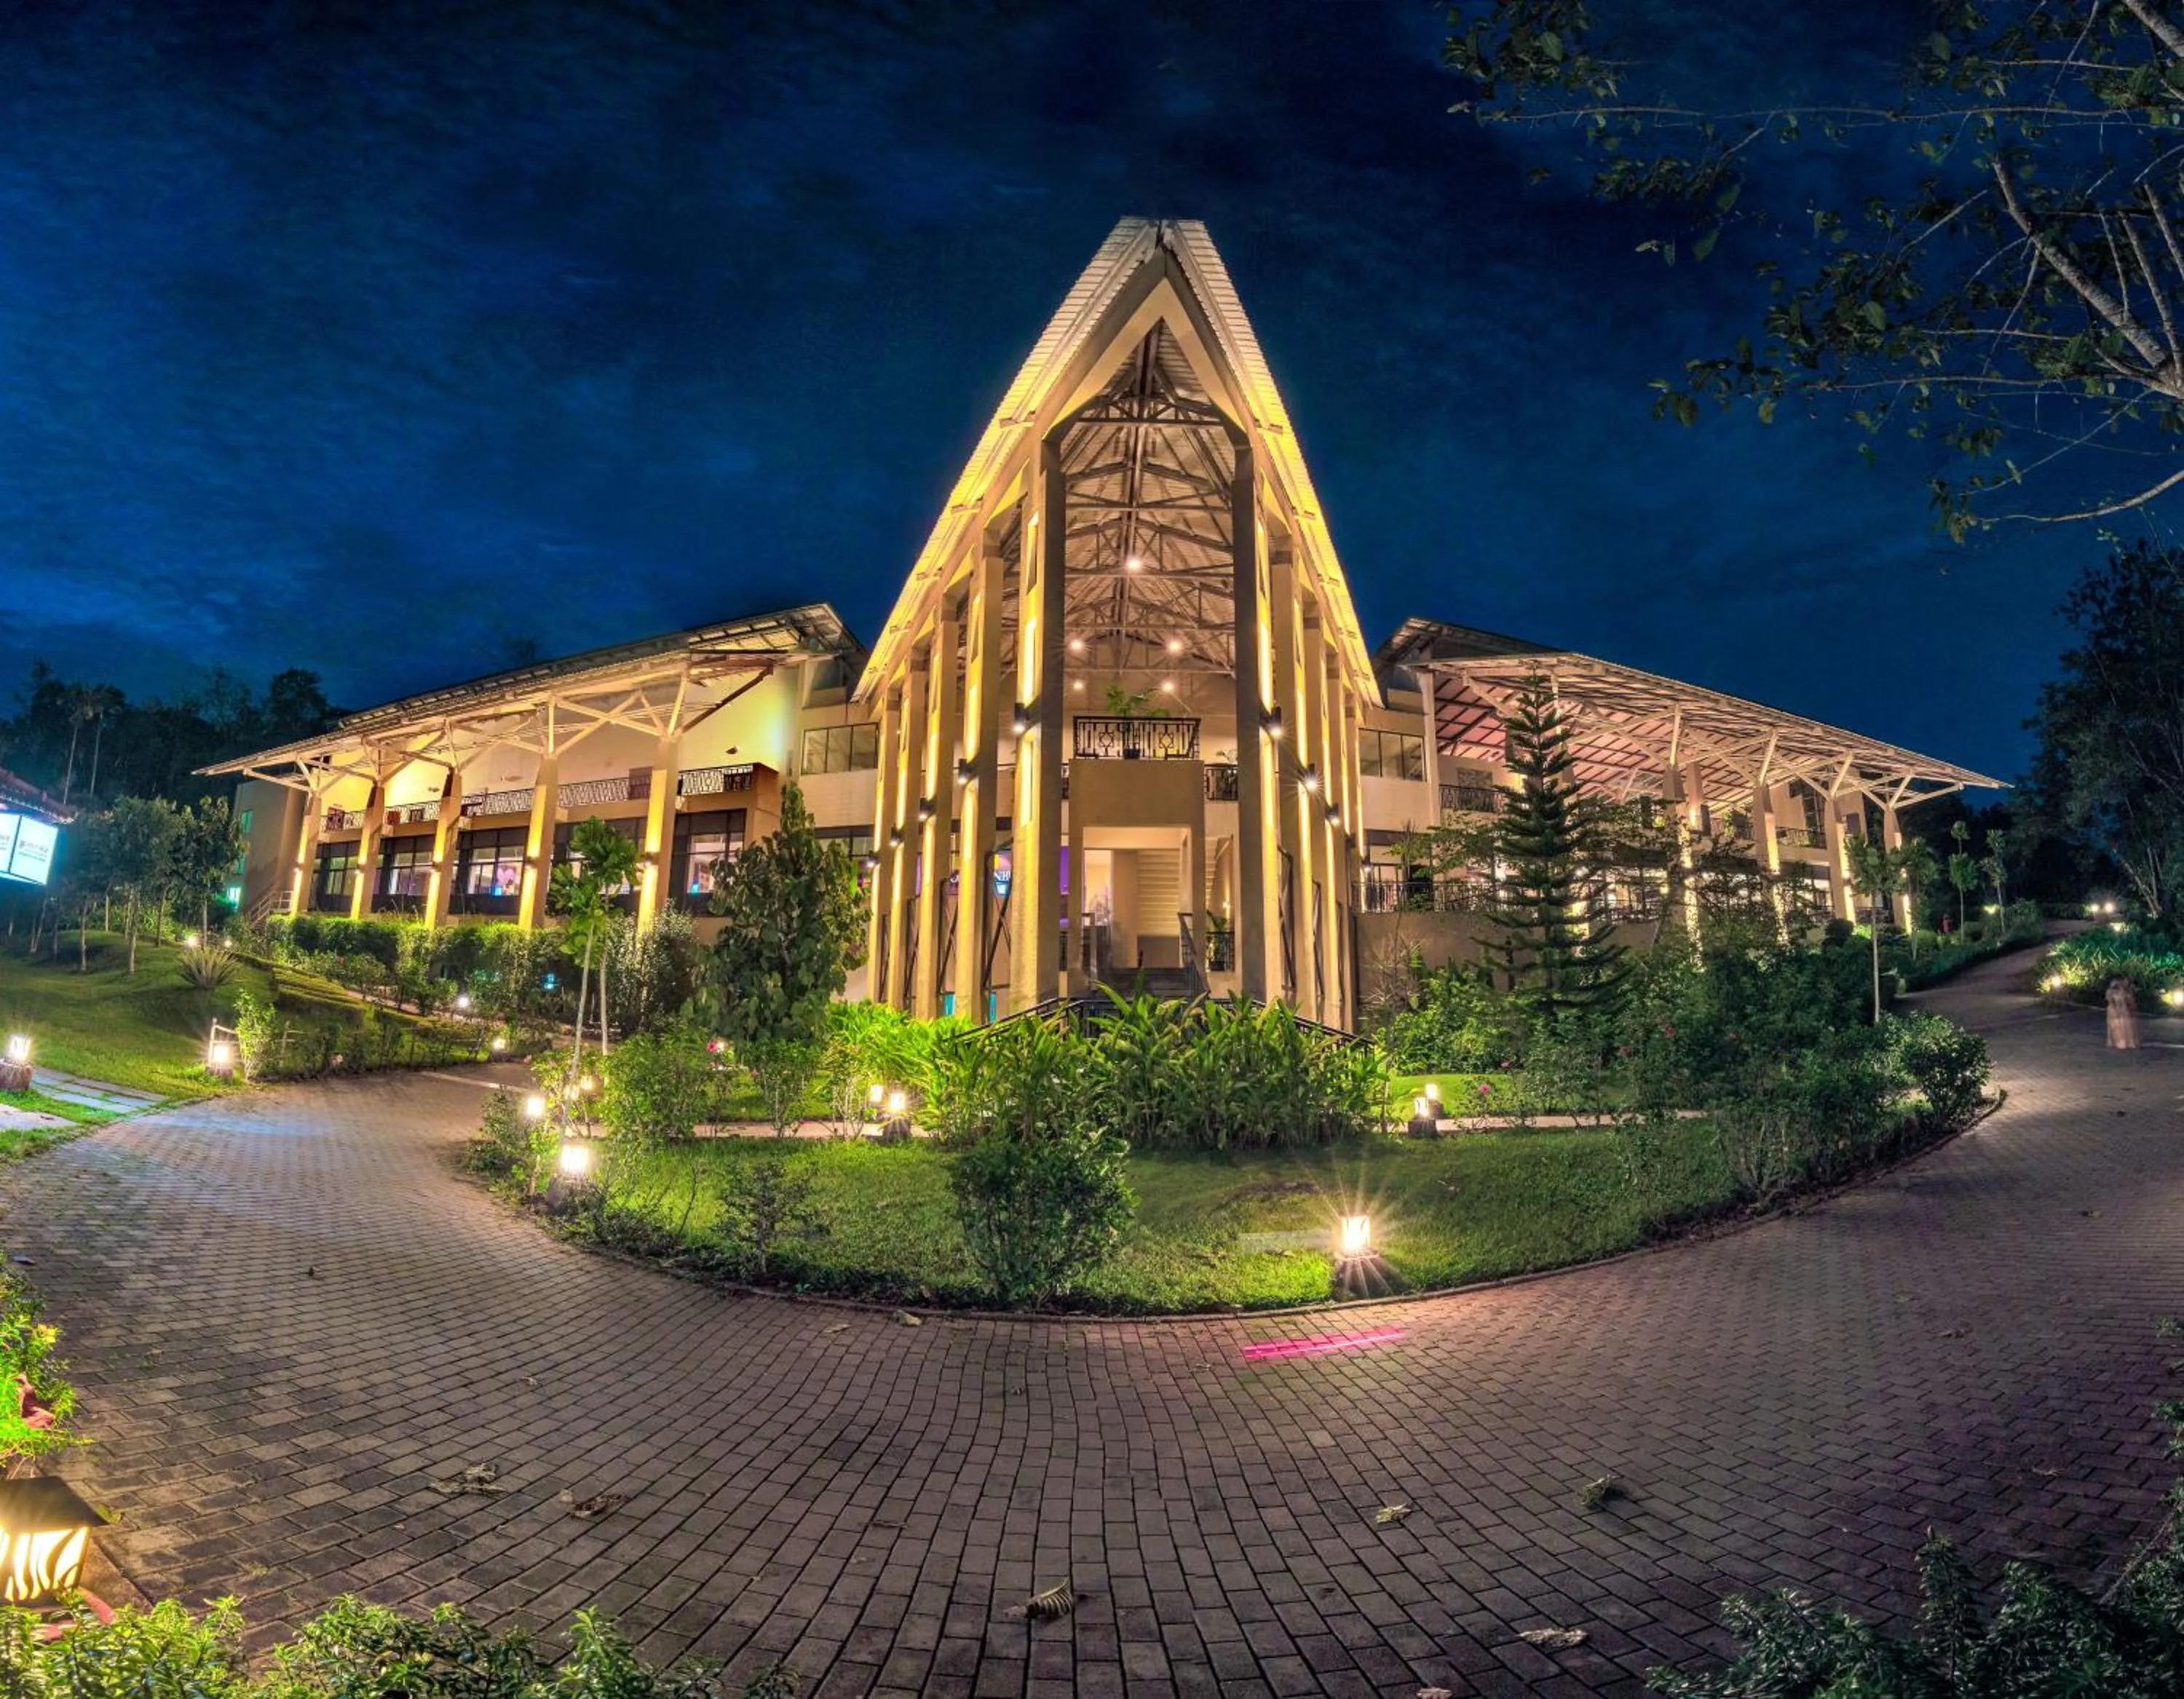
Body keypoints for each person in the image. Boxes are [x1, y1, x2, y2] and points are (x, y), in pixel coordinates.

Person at [2106, 976, 2141, 1050]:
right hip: (2118, 1011)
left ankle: (2125, 1042)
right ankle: (2120, 1042)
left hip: (2124, 1011)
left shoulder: (2126, 993)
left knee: (2124, 1026)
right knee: (2118, 1026)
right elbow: (2111, 1002)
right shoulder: (2115, 993)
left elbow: (2131, 1003)